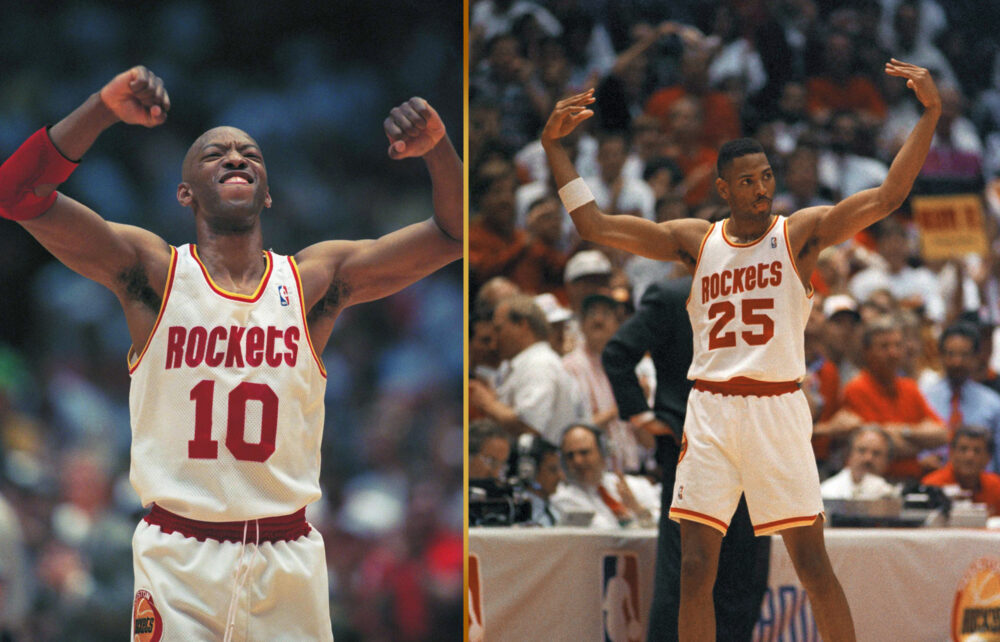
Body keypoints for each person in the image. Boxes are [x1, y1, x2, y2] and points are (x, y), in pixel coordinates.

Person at [0, 66, 461, 640]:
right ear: (185, 192)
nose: (236, 156)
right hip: (180, 556)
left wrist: (440, 150)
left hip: (288, 557)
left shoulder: (316, 282)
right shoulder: (156, 274)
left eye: (249, 153)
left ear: (267, 192)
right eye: (214, 152)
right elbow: (16, 193)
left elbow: (456, 234)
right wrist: (100, 108)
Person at [542, 59, 941, 641]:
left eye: (767, 177)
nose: (761, 189)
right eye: (748, 181)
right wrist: (554, 150)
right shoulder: (694, 241)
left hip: (776, 408)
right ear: (723, 189)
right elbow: (594, 225)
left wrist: (929, 113)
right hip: (708, 411)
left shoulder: (797, 234)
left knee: (811, 564)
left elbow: (888, 195)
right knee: (695, 570)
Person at [603, 277, 769, 641]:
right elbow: (616, 353)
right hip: (692, 450)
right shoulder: (673, 294)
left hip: (753, 449)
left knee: (746, 578)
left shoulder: (765, 292)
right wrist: (643, 416)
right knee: (685, 576)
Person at [468, 294, 587, 444]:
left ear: (522, 325)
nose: (495, 341)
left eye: (499, 329)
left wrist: (488, 404)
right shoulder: (529, 363)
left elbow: (528, 425)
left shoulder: (539, 364)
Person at [840, 317, 948, 482]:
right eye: (884, 346)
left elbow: (942, 435)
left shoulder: (909, 387)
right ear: (867, 352)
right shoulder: (856, 388)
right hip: (870, 481)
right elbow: (879, 447)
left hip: (910, 481)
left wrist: (903, 431)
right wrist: (920, 444)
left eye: (898, 345)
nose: (893, 353)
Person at [921, 322, 1000, 472]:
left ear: (976, 357)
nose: (957, 362)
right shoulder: (924, 396)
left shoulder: (993, 404)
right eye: (951, 354)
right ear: (941, 356)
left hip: (980, 487)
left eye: (964, 355)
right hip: (932, 482)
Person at [550, 424, 659, 529]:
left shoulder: (634, 485)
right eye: (570, 456)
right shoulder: (564, 499)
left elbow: (664, 523)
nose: (577, 461)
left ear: (602, 453)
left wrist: (638, 510)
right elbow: (606, 536)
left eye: (584, 452)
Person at [921, 427, 1000, 516]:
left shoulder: (996, 486)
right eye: (963, 449)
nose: (969, 457)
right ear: (951, 453)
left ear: (988, 457)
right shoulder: (932, 486)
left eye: (977, 451)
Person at [820, 426, 899, 500]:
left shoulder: (893, 496)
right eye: (862, 450)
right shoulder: (826, 492)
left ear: (887, 460)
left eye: (876, 453)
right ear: (849, 455)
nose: (868, 459)